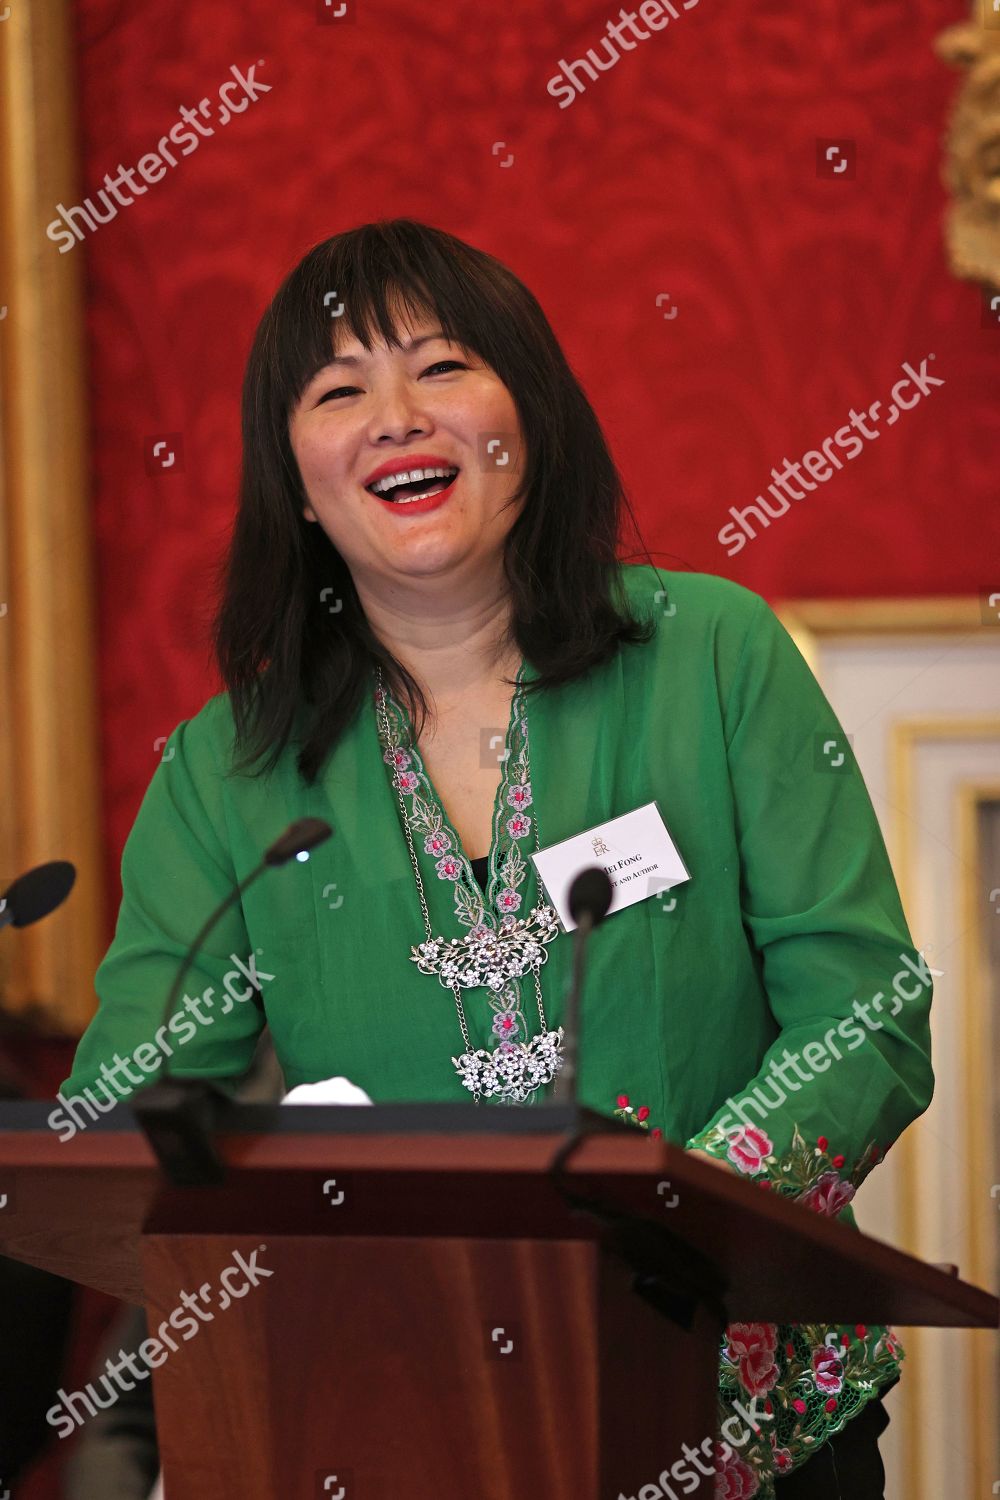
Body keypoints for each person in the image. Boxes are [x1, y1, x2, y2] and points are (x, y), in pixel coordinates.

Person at [59, 218, 933, 1499]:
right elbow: (127, 1120)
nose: (396, 417)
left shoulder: (715, 657)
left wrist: (674, 1220)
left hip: (741, 1408)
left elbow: (865, 1011)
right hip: (404, 1411)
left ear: (531, 415)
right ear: (297, 480)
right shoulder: (225, 773)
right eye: (339, 389)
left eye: (443, 366)